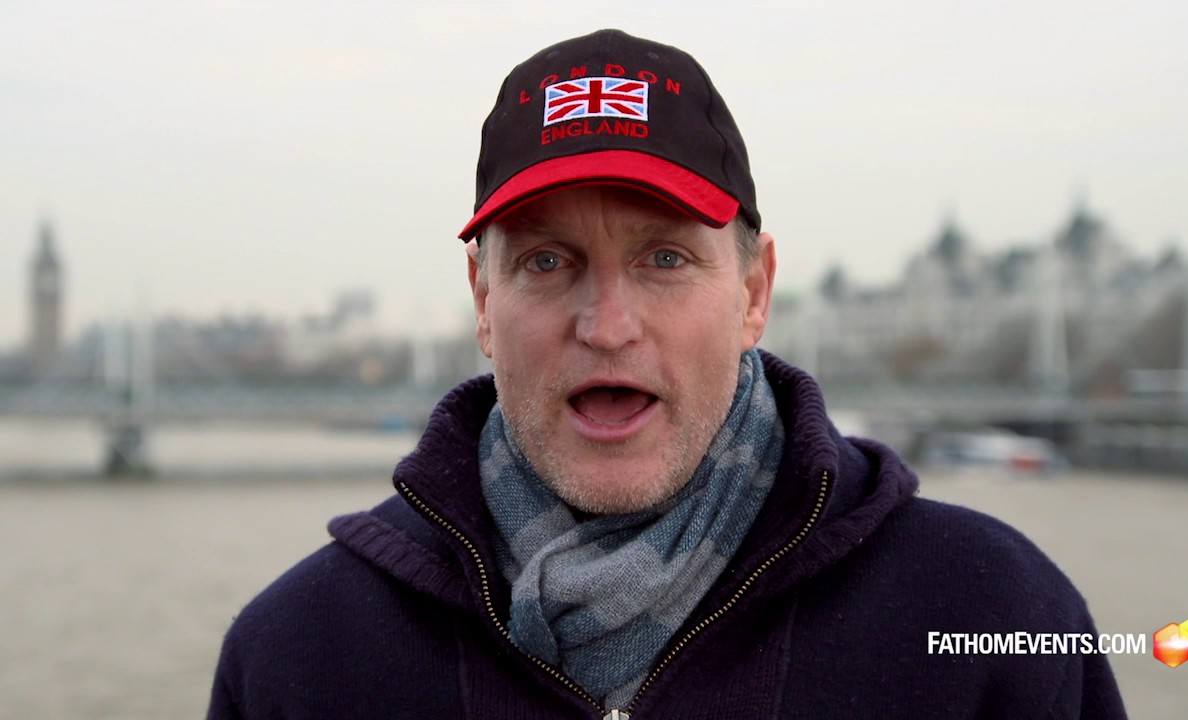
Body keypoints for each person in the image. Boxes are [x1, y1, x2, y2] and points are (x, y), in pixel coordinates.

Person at [208, 29, 1126, 719]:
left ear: (754, 293)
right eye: (547, 262)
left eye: (665, 260)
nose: (608, 327)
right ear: (483, 302)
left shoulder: (996, 618)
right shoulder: (298, 658)